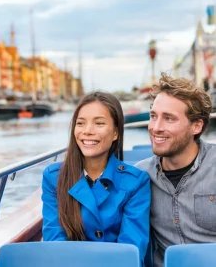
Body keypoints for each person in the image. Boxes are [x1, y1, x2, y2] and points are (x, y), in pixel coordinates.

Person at [42, 91, 151, 265]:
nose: (87, 131)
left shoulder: (136, 181)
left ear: (115, 133)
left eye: (99, 123)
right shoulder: (53, 178)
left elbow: (132, 250)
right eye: (80, 123)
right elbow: (55, 242)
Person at [136, 73, 214, 267]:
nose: (156, 127)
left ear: (196, 126)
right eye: (153, 116)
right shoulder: (139, 176)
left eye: (169, 119)